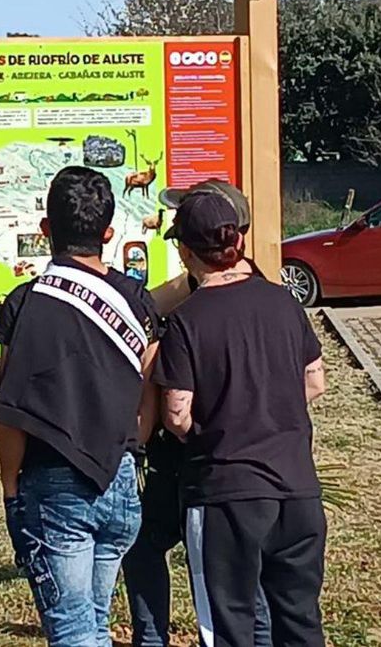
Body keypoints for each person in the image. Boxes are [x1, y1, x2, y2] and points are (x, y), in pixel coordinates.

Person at [0, 165, 160, 647]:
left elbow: (10, 407)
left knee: (73, 630)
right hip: (121, 477)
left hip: (53, 481)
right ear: (109, 232)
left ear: (46, 230)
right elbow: (150, 388)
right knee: (93, 621)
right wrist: (132, 445)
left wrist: (10, 489)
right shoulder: (136, 301)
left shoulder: (24, 304)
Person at [157, 192, 327, 647]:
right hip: (297, 488)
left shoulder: (185, 322)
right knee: (301, 621)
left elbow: (176, 412)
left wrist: (205, 430)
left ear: (186, 251)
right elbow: (315, 381)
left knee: (231, 627)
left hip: (225, 493)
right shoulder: (284, 303)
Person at [124, 180, 271, 647]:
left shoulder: (221, 299)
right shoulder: (221, 289)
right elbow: (145, 306)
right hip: (204, 460)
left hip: (207, 460)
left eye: (184, 221)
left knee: (231, 581)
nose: (175, 229)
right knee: (148, 544)